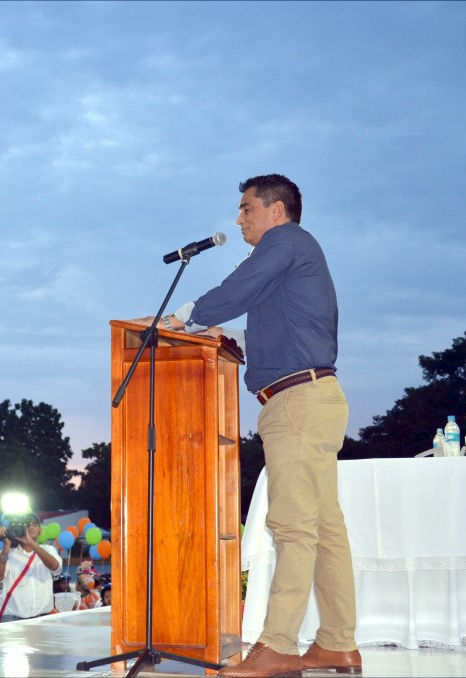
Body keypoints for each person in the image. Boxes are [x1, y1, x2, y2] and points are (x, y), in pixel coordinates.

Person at [133, 175, 358, 677]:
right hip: (311, 396)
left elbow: (237, 289)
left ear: (277, 210)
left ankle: (277, 647)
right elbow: (276, 327)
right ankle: (338, 643)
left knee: (295, 528)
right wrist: (226, 334)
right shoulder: (294, 258)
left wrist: (181, 320)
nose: (238, 219)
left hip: (298, 403)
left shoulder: (286, 241)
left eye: (245, 209)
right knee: (324, 529)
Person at [0, 513, 61, 622]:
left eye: (34, 524)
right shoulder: (9, 552)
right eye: (27, 524)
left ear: (40, 530)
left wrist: (32, 544)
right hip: (12, 618)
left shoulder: (48, 549)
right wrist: (7, 545)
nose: (31, 527)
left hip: (44, 617)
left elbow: (55, 567)